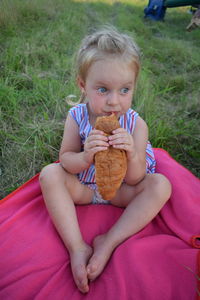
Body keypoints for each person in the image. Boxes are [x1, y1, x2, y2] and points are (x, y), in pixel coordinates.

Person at [39, 26, 172, 294]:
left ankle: (108, 242)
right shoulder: (76, 117)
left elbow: (136, 178)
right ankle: (77, 247)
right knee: (49, 174)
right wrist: (86, 156)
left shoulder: (136, 125)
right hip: (86, 188)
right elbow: (65, 160)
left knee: (160, 185)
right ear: (83, 86)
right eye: (102, 89)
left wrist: (132, 152)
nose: (114, 102)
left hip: (121, 191)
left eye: (124, 90)